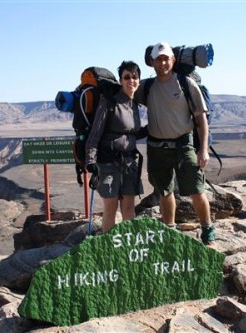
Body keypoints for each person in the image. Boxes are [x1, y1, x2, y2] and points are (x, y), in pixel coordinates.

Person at [135, 42, 216, 245]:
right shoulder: (146, 86)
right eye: (158, 59)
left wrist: (203, 150)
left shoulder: (186, 84)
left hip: (184, 145)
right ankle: (170, 231)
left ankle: (207, 229)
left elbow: (201, 120)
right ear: (152, 62)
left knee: (197, 189)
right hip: (156, 148)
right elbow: (125, 94)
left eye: (166, 58)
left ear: (173, 60)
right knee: (164, 191)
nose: (162, 63)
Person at [85, 60, 144, 233]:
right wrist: (91, 162)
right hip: (108, 163)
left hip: (129, 162)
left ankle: (128, 245)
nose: (131, 80)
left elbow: (131, 132)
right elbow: (95, 133)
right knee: (110, 207)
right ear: (120, 80)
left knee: (129, 207)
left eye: (134, 77)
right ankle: (108, 250)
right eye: (127, 77)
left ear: (139, 80)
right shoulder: (109, 102)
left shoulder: (134, 104)